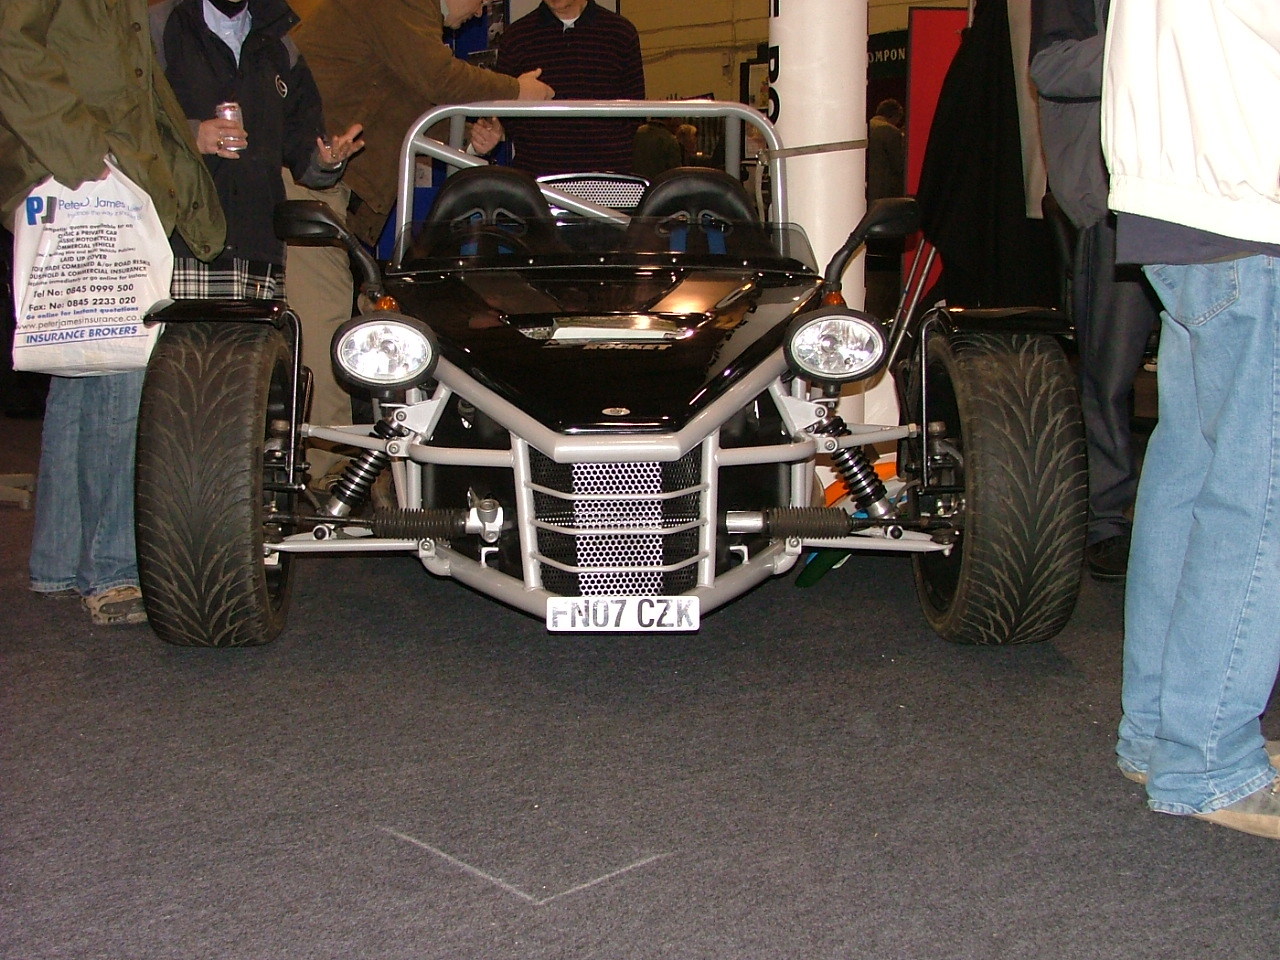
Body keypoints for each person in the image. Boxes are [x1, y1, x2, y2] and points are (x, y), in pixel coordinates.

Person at [1103, 0, 1280, 838]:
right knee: (1257, 498)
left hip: (1181, 205)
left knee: (1190, 480)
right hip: (1250, 197)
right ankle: (1207, 760)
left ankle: (1161, 734)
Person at [0, 0, 226, 625]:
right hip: (84, 177)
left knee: (80, 365)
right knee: (124, 368)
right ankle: (113, 569)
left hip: (84, 175)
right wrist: (85, 156)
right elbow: (10, 43)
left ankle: (60, 560)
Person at [1030, 0, 1159, 582]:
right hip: (1118, 203)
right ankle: (1104, 517)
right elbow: (1051, 67)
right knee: (1109, 374)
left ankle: (1171, 517)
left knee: (1198, 376)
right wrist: (1159, 41)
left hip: (1200, 202)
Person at [293, 0, 554, 248]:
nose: (478, 13)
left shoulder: (408, 24)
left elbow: (408, 102)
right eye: (481, 2)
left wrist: (473, 138)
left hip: (322, 179)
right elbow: (439, 77)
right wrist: (517, 90)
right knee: (328, 282)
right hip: (312, 175)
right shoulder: (404, 6)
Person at [151, 0, 363, 299]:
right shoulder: (160, 25)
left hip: (259, 246)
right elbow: (126, 123)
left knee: (257, 333)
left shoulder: (279, 42)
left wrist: (327, 160)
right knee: (186, 333)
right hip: (183, 243)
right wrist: (192, 136)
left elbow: (303, 144)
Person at [494, 0, 645, 177]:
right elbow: (503, 115)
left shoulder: (620, 33)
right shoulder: (516, 37)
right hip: (537, 178)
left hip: (608, 178)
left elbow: (635, 110)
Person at [865, 98, 904, 204]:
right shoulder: (891, 131)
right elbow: (898, 164)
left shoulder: (865, 126)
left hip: (865, 186)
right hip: (883, 189)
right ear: (895, 116)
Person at [632, 117, 681, 182]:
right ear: (670, 119)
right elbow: (675, 172)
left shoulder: (638, 132)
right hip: (659, 184)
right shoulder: (669, 139)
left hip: (638, 182)